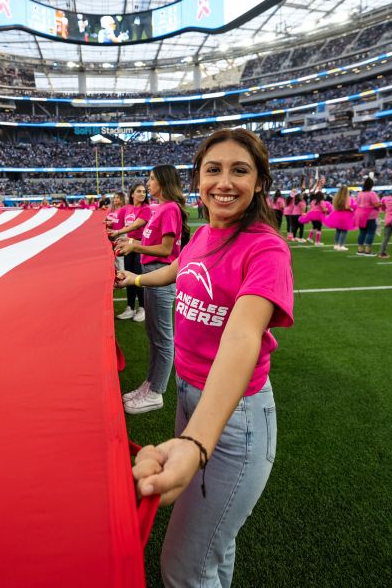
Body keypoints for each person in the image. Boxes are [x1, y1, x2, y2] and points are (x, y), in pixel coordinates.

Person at [117, 128, 293, 587]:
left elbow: (242, 337)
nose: (224, 182)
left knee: (183, 568)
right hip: (190, 397)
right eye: (213, 170)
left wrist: (196, 441)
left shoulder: (266, 248)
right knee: (216, 547)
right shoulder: (203, 237)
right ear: (198, 180)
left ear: (259, 183)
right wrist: (132, 281)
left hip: (236, 417)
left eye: (240, 170)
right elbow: (179, 269)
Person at [115, 165, 189, 414]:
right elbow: (153, 241)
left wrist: (135, 248)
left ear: (164, 182)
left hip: (160, 276)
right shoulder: (161, 208)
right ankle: (149, 384)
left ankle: (156, 392)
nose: (148, 183)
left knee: (162, 338)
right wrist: (133, 241)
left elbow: (166, 250)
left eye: (152, 179)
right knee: (154, 335)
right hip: (151, 274)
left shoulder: (169, 209)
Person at [109, 183, 152, 322]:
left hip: (141, 245)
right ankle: (130, 307)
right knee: (127, 276)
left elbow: (135, 225)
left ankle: (143, 308)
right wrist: (106, 223)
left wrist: (118, 232)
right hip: (128, 245)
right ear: (132, 194)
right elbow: (116, 222)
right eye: (138, 191)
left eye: (144, 191)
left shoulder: (146, 209)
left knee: (138, 277)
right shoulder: (126, 208)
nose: (142, 194)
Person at [353, 177, 382, 256]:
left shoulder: (360, 193)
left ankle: (360, 249)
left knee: (362, 232)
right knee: (370, 232)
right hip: (370, 215)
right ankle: (367, 250)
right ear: (371, 185)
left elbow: (357, 203)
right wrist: (381, 203)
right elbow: (376, 204)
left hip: (360, 214)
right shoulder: (372, 193)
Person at [329, 185, 355, 252]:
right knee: (344, 231)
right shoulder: (347, 198)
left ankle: (336, 245)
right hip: (345, 216)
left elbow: (334, 207)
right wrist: (352, 209)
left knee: (338, 231)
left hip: (337, 215)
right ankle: (341, 245)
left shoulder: (336, 198)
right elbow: (347, 207)